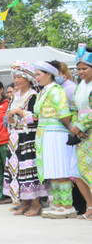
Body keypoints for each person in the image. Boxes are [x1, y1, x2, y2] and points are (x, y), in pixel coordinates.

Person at [34, 60, 91, 218]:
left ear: (48, 74)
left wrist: (73, 128)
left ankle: (67, 206)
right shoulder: (44, 91)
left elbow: (65, 114)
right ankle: (58, 204)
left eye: (39, 74)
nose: (36, 77)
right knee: (52, 170)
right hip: (45, 133)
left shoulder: (57, 90)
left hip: (56, 133)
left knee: (61, 170)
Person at [5, 61, 46, 217]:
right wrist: (11, 119)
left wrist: (20, 112)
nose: (16, 81)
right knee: (17, 172)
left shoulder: (33, 96)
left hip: (28, 137)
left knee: (29, 170)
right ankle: (24, 202)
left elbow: (36, 117)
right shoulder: (15, 97)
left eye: (19, 78)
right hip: (16, 137)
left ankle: (36, 204)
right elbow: (13, 119)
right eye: (15, 78)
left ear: (28, 78)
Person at [70, 45, 92, 220]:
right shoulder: (79, 87)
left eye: (84, 68)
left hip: (88, 130)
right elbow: (74, 109)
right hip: (81, 135)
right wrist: (76, 126)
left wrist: (82, 126)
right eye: (78, 69)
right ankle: (89, 206)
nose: (80, 72)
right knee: (77, 172)